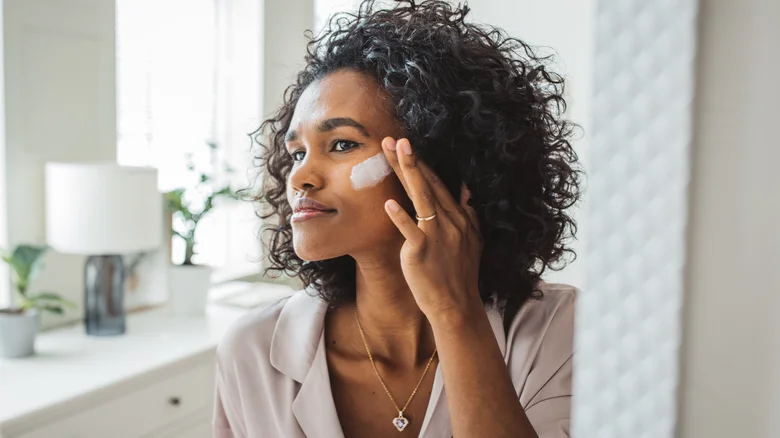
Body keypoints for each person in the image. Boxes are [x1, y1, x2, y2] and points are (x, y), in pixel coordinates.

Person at [213, 0, 582, 436]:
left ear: (442, 159)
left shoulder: (562, 331)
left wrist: (454, 312)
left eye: (343, 144)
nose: (301, 178)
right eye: (297, 153)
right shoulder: (252, 349)